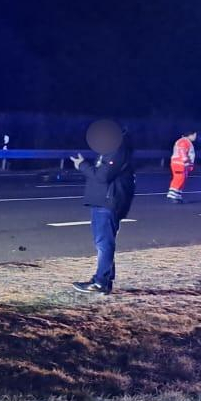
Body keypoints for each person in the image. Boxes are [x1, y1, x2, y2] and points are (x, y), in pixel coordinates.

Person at [71, 119, 135, 295]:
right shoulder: (112, 148)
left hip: (107, 202)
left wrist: (82, 165)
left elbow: (102, 176)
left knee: (104, 243)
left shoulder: (117, 149)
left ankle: (100, 282)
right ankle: (104, 280)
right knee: (103, 242)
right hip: (103, 201)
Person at [167, 130, 198, 204]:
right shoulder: (184, 141)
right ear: (190, 135)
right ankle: (172, 196)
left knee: (182, 180)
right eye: (195, 135)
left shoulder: (186, 141)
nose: (195, 137)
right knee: (179, 179)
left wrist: (190, 165)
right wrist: (186, 161)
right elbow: (182, 152)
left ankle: (177, 196)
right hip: (179, 164)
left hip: (182, 164)